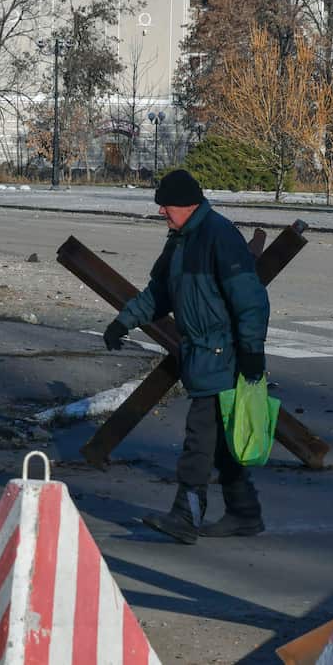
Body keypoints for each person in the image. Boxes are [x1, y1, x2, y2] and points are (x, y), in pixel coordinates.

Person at [103, 169, 269, 544]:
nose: (162, 212)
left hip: (222, 354)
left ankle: (185, 515)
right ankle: (244, 513)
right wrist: (122, 323)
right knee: (222, 441)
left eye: (167, 206)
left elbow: (250, 299)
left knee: (200, 439)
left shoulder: (219, 237)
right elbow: (159, 292)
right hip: (201, 354)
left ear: (189, 204)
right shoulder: (180, 241)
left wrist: (252, 352)